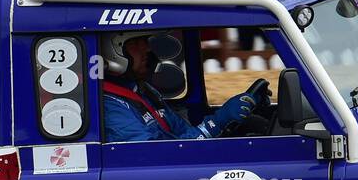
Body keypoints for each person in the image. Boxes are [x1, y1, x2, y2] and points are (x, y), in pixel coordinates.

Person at [101, 30, 256, 142]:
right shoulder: (109, 106)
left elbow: (182, 131)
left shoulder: (144, 91)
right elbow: (154, 156)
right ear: (112, 51)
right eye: (135, 43)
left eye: (145, 42)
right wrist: (217, 122)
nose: (147, 49)